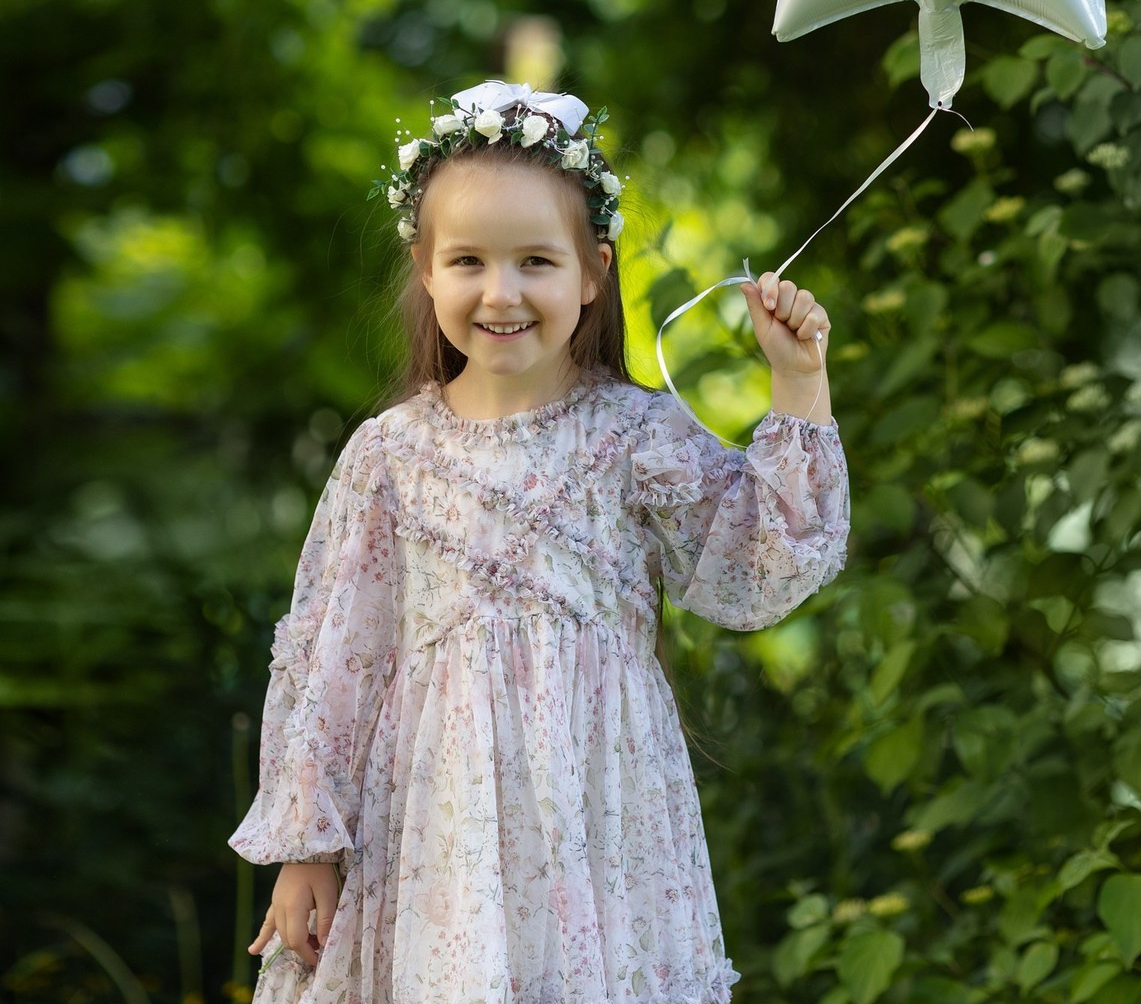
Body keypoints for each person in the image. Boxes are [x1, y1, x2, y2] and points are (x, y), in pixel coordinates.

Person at [229, 79, 851, 1004]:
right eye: (469, 261)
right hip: (438, 834)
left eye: (536, 262)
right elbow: (334, 659)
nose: (501, 292)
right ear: (426, 269)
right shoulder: (391, 457)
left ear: (592, 272)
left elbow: (755, 567)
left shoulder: (639, 436)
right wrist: (307, 848)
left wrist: (799, 383)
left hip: (601, 827)